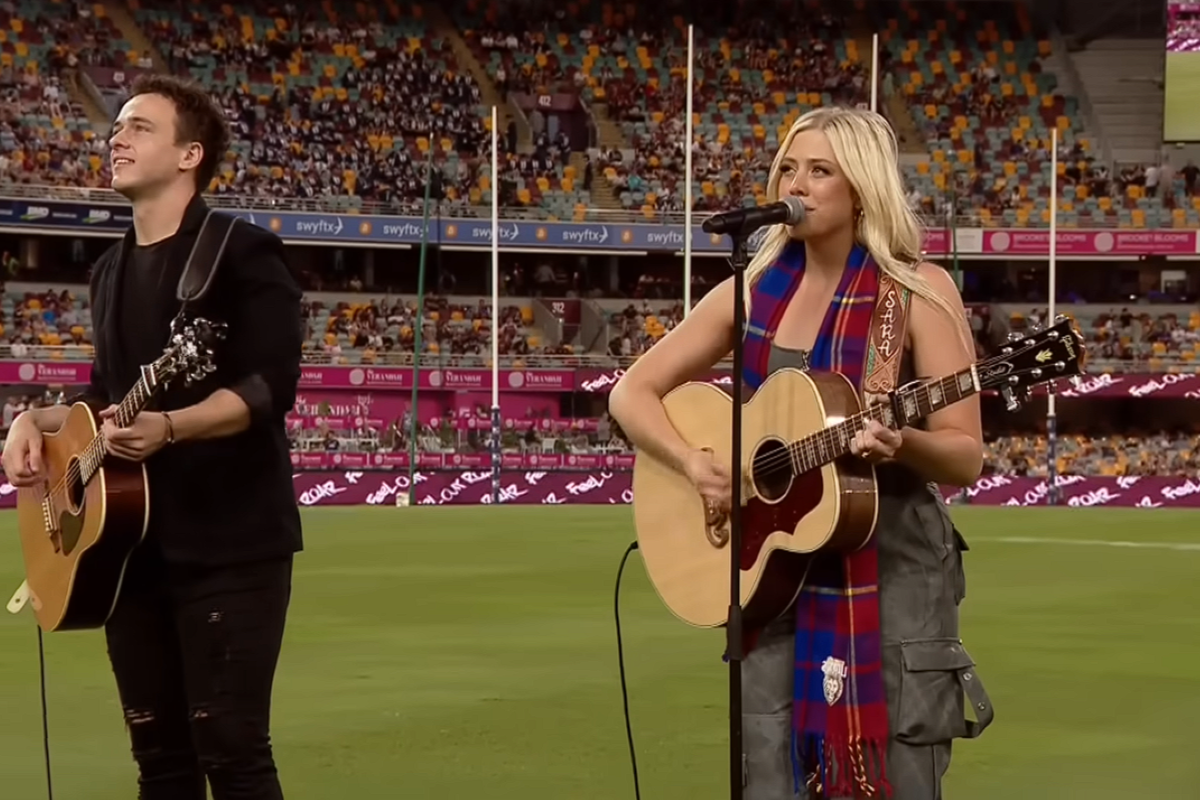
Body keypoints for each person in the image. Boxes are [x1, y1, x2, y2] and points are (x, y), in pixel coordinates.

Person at [608, 106, 994, 799]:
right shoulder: (752, 292)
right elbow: (631, 393)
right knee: (768, 771)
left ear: (861, 188)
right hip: (773, 575)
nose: (798, 183)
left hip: (892, 573)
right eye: (789, 167)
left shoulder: (916, 292)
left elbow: (965, 455)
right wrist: (696, 465)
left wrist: (902, 443)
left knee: (896, 771)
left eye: (820, 170)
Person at [2, 74, 303, 800]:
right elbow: (102, 399)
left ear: (190, 154)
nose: (117, 137)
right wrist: (26, 422)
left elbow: (267, 389)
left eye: (139, 127)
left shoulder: (242, 251)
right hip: (124, 553)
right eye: (116, 128)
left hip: (228, 544)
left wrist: (172, 426)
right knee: (160, 762)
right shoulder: (107, 270)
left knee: (231, 752)